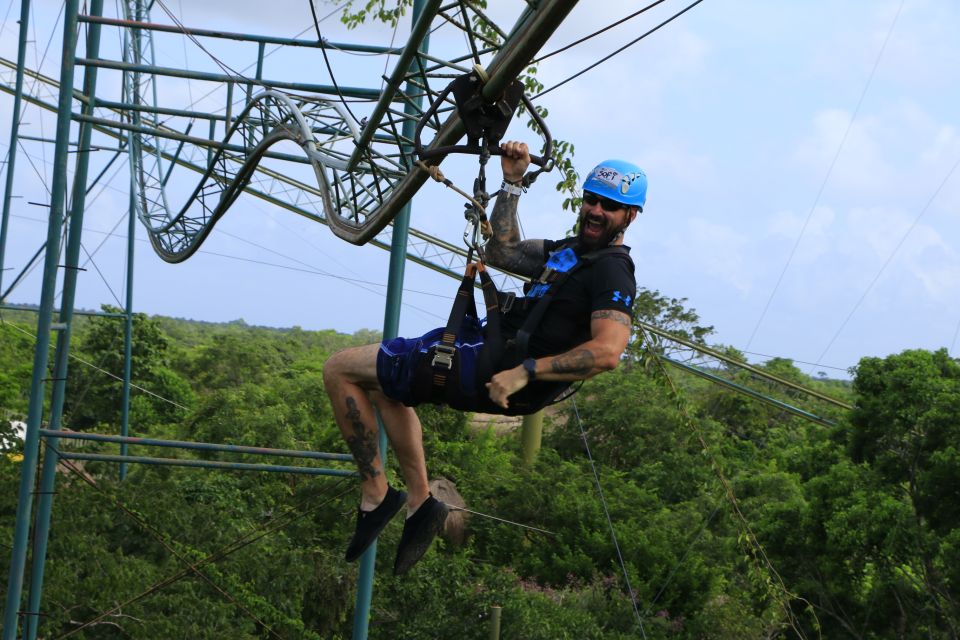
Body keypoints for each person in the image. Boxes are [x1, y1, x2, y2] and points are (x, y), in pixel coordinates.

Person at [322, 140, 646, 574]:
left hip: (494, 365)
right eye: (591, 200)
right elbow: (502, 252)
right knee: (382, 387)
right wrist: (512, 184)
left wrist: (526, 372)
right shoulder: (568, 252)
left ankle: (377, 497)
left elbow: (607, 352)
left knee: (339, 368)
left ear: (631, 216)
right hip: (488, 350)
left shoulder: (612, 269)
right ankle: (419, 502)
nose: (595, 211)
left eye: (610, 206)